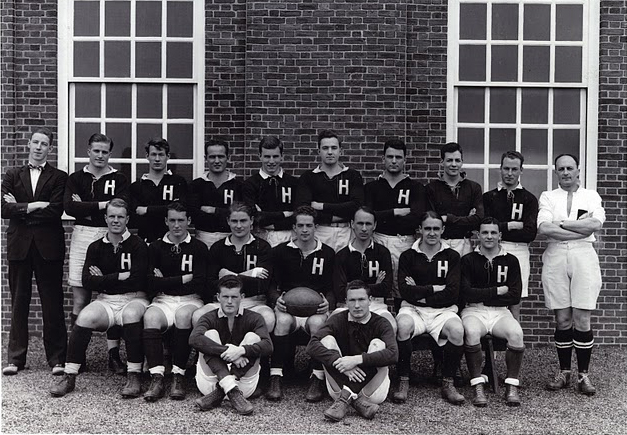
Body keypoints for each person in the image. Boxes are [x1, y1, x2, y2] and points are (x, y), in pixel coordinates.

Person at [51, 199, 149, 398]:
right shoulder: (95, 246)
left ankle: (134, 374)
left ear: (127, 219)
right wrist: (119, 276)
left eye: (120, 216)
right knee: (85, 317)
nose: (115, 220)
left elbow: (138, 280)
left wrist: (103, 278)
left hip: (134, 299)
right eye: (111, 216)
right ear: (105, 218)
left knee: (131, 314)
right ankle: (69, 376)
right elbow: (87, 281)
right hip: (106, 300)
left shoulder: (138, 245)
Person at [1, 127, 68, 376]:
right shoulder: (12, 174)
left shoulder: (59, 177)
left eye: (44, 144)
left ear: (50, 148)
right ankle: (15, 359)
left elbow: (56, 210)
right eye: (36, 142)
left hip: (48, 247)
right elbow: (3, 209)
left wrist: (20, 209)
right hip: (19, 246)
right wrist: (34, 205)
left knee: (52, 303)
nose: (39, 147)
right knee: (19, 302)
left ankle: (57, 359)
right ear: (29, 144)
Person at [538, 154, 605, 396]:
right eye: (561, 169)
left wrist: (561, 224)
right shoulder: (548, 196)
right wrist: (578, 227)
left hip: (583, 255)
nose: (565, 172)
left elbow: (595, 225)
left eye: (570, 168)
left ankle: (583, 375)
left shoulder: (591, 195)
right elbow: (544, 227)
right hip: (555, 255)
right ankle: (564, 372)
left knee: (582, 318)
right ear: (556, 172)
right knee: (563, 319)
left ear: (578, 170)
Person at [64, 133, 130, 374]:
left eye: (105, 151)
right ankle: (77, 357)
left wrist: (88, 205)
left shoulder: (119, 178)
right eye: (96, 151)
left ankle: (113, 355)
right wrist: (104, 204)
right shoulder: (76, 178)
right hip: (82, 235)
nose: (100, 155)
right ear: (88, 151)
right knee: (81, 298)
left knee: (111, 294)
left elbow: (122, 205)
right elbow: (70, 207)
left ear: (109, 154)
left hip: (109, 234)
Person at [393, 211, 465, 405]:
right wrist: (433, 289)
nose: (431, 233)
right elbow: (405, 291)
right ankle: (403, 380)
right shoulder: (408, 256)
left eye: (436, 229)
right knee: (402, 327)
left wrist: (421, 294)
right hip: (413, 309)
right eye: (427, 229)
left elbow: (452, 292)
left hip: (443, 311)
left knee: (457, 331)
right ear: (419, 230)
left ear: (442, 230)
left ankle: (448, 382)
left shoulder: (452, 256)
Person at [265, 206, 335, 402]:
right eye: (300, 226)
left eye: (309, 226)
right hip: (288, 307)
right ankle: (276, 376)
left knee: (317, 324)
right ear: (294, 228)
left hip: (315, 309)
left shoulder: (328, 253)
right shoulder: (280, 251)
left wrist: (327, 303)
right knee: (283, 321)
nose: (305, 230)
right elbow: (271, 284)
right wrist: (275, 298)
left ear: (316, 227)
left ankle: (316, 378)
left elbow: (332, 287)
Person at [142, 202, 208, 402]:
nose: (177, 225)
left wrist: (165, 281)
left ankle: (178, 375)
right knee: (151, 316)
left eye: (181, 220)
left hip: (191, 300)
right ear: (166, 221)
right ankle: (157, 376)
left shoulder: (199, 247)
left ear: (189, 221)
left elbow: (200, 282)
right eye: (172, 220)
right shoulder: (155, 247)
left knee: (183, 315)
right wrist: (182, 279)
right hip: (163, 299)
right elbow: (150, 282)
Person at [307, 280, 398, 422]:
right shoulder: (338, 319)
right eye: (352, 300)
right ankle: (356, 401)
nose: (356, 305)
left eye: (361, 299)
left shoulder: (381, 323)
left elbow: (393, 354)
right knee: (326, 340)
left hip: (373, 392)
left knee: (378, 343)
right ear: (346, 302)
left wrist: (356, 360)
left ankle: (346, 398)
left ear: (370, 300)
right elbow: (311, 345)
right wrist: (342, 364)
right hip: (340, 385)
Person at [461, 217, 525, 407]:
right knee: (472, 332)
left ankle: (511, 385)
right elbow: (465, 293)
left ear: (500, 235)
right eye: (485, 233)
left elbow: (514, 295)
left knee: (516, 333)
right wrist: (497, 291)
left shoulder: (511, 261)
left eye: (493, 233)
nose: (489, 236)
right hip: (474, 311)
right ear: (478, 235)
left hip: (500, 312)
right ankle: (478, 384)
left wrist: (480, 295)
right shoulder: (468, 260)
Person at [190, 275, 273, 415]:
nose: (229, 301)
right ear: (218, 297)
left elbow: (268, 346)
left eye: (234, 297)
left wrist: (241, 350)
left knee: (253, 337)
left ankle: (223, 389)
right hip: (210, 382)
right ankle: (230, 388)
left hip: (243, 385)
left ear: (242, 297)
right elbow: (194, 339)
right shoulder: (209, 317)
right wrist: (230, 352)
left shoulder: (255, 317)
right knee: (209, 335)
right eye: (225, 296)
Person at [365, 138, 430, 310]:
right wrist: (396, 211)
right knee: (378, 283)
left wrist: (382, 216)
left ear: (405, 160)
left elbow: (416, 217)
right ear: (383, 159)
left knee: (402, 287)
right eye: (390, 156)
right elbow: (369, 216)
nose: (394, 161)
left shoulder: (415, 187)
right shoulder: (372, 187)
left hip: (404, 241)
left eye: (398, 157)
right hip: (377, 239)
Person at [191, 202, 275, 333]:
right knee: (198, 316)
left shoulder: (263, 247)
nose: (239, 226)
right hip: (222, 301)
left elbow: (262, 285)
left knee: (268, 318)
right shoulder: (217, 248)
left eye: (243, 221)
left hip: (253, 302)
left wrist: (229, 275)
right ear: (228, 221)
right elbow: (211, 283)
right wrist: (249, 274)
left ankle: (255, 353)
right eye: (234, 221)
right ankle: (208, 353)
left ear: (251, 221)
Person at [483, 151, 538, 321]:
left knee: (515, 297)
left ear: (521, 170)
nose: (509, 173)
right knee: (491, 292)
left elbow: (529, 233)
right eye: (506, 168)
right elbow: (485, 227)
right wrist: (512, 225)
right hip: (491, 249)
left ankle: (514, 342)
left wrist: (498, 227)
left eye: (514, 169)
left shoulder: (529, 199)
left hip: (519, 250)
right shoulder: (489, 197)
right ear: (500, 169)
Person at [295, 129, 364, 251]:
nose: (330, 152)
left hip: (347, 231)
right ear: (319, 151)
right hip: (320, 231)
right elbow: (304, 209)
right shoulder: (308, 177)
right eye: (325, 148)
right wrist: (341, 214)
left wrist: (321, 206)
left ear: (340, 151)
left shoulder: (353, 176)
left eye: (334, 148)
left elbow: (356, 206)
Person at [332, 207, 396, 333]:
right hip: (347, 305)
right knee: (332, 327)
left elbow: (386, 288)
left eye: (368, 224)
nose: (364, 228)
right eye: (360, 223)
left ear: (375, 225)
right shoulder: (341, 255)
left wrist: (351, 286)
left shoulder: (382, 253)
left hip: (376, 305)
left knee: (391, 326)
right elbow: (339, 291)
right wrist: (374, 285)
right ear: (352, 224)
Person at [426, 142, 483, 257]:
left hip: (464, 244)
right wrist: (466, 219)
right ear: (442, 162)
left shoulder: (473, 188)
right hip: (439, 243)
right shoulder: (431, 188)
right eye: (449, 160)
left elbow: (478, 219)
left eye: (457, 160)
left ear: (462, 162)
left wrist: (448, 218)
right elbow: (431, 220)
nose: (453, 164)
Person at [129, 137, 188, 243]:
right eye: (153, 154)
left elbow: (181, 209)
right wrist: (166, 208)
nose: (157, 159)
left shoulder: (178, 182)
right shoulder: (137, 186)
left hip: (172, 241)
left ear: (167, 156)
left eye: (161, 154)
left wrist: (147, 210)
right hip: (146, 240)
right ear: (147, 156)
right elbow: (135, 215)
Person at [242, 135, 298, 247]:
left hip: (289, 236)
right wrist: (284, 214)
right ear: (260, 156)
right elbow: (255, 217)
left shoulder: (293, 182)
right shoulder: (250, 184)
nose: (271, 161)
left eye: (275, 156)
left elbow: (298, 215)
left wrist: (270, 220)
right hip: (260, 235)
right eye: (267, 156)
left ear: (282, 156)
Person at [189, 139, 243, 250]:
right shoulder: (196, 185)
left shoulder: (239, 185)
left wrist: (214, 210)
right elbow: (194, 215)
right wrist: (227, 212)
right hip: (203, 239)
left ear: (227, 157)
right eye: (212, 157)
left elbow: (243, 214)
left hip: (231, 239)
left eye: (221, 156)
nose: (217, 161)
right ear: (206, 159)